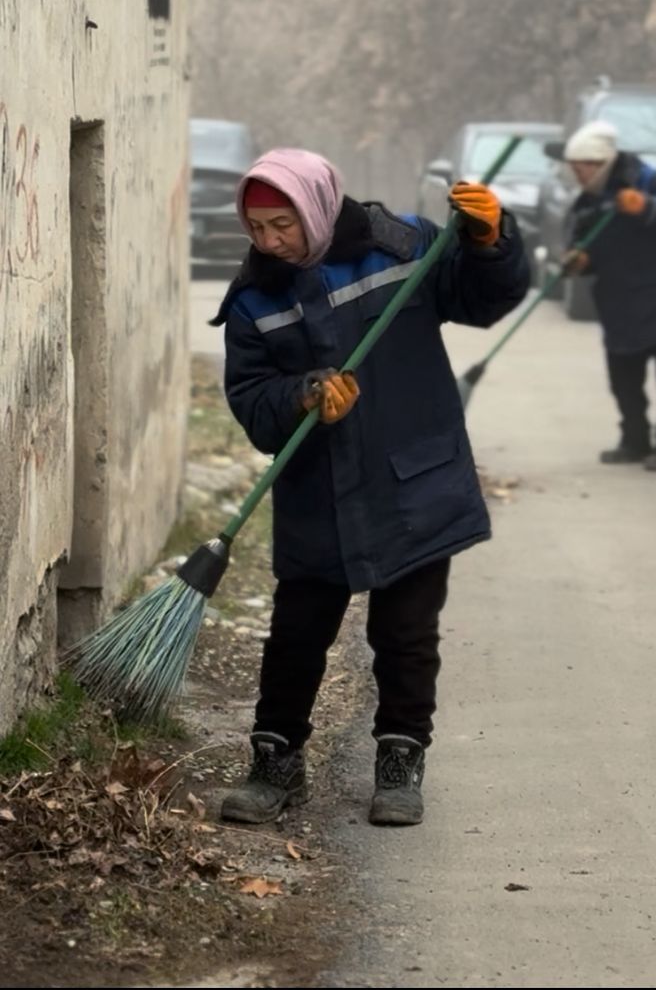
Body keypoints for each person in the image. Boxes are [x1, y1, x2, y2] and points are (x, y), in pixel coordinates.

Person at [211, 147, 529, 828]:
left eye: (282, 225)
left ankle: (401, 759)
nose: (270, 241)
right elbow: (253, 403)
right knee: (296, 633)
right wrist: (301, 395)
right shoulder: (254, 301)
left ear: (316, 207)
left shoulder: (403, 249)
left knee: (406, 632)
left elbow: (483, 298)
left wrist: (490, 239)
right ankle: (275, 763)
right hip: (318, 493)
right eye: (257, 227)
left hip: (414, 482)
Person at [560, 120, 656, 472]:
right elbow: (583, 241)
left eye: (580, 169)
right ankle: (635, 440)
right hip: (620, 302)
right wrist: (580, 260)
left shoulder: (649, 181)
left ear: (598, 164)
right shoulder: (587, 203)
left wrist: (646, 206)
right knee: (624, 379)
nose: (577, 176)